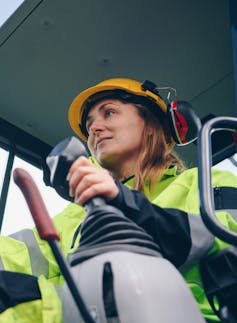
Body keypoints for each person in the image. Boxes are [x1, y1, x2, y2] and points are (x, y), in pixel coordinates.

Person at [0, 77, 236, 322]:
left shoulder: (205, 182)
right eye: (89, 124)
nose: (94, 128)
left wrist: (126, 202)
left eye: (109, 113)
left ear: (152, 122)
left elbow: (225, 238)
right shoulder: (75, 215)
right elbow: (15, 254)